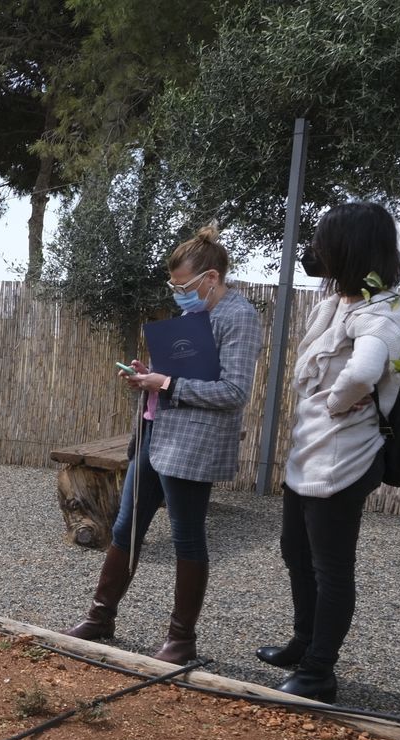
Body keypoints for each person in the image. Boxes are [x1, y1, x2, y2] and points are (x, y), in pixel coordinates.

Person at [62, 224, 262, 664]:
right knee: (125, 527)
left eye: (184, 286)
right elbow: (173, 377)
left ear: (211, 278)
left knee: (186, 536)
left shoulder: (239, 316)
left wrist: (167, 383)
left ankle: (181, 640)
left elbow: (234, 392)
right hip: (154, 434)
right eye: (174, 287)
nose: (179, 294)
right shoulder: (193, 317)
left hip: (193, 445)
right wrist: (146, 377)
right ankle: (100, 617)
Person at [257, 203, 400, 702]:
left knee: (331, 567)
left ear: (348, 248)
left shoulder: (383, 311)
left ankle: (320, 671)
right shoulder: (339, 304)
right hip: (310, 451)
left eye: (323, 242)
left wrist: (334, 402)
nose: (315, 251)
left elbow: (363, 372)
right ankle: (304, 643)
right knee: (296, 551)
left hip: (345, 457)